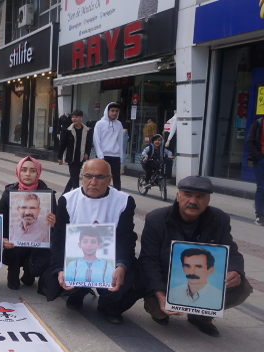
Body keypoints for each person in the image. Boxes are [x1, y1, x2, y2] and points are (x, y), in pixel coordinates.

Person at [139, 176, 252, 337]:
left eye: (200, 197)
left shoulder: (219, 219)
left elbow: (232, 251)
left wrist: (235, 271)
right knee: (157, 309)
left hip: (203, 279)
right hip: (166, 279)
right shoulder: (156, 219)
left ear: (208, 200)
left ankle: (200, 316)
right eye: (187, 195)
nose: (193, 201)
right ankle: (161, 312)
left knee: (241, 286)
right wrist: (159, 293)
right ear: (178, 196)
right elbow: (148, 260)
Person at [45, 159, 139, 324]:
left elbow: (126, 238)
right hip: (78, 257)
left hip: (110, 258)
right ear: (82, 177)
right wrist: (60, 270)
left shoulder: (124, 201)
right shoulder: (68, 200)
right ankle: (77, 293)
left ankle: (108, 304)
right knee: (53, 276)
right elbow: (59, 239)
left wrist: (121, 266)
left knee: (133, 275)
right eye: (88, 176)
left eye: (100, 177)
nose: (93, 182)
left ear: (109, 179)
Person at [0, 156, 56, 290]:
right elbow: (1, 220)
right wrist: (3, 238)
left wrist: (54, 223)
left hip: (39, 243)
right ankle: (13, 272)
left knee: (31, 277)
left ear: (38, 173)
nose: (28, 174)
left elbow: (56, 225)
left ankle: (29, 272)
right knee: (14, 247)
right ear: (18, 172)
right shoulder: (8, 193)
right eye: (24, 170)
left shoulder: (48, 194)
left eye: (32, 170)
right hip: (15, 242)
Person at [58, 110, 92, 193]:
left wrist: (87, 153)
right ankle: (78, 195)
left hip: (81, 158)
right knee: (75, 179)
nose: (74, 119)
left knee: (73, 177)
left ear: (81, 118)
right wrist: (60, 157)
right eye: (72, 117)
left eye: (76, 117)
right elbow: (63, 144)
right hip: (71, 158)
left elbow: (89, 143)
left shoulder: (87, 130)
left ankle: (64, 195)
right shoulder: (68, 130)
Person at [92, 102, 123, 190]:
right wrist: (101, 156)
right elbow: (96, 141)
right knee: (101, 178)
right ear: (107, 111)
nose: (115, 113)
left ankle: (117, 197)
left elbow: (120, 142)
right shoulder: (100, 123)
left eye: (116, 111)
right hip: (103, 156)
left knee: (116, 180)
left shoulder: (119, 124)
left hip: (115, 156)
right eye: (112, 111)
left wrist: (121, 158)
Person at [244, 116, 264, 225]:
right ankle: (260, 215)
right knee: (262, 188)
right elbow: (250, 141)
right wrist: (258, 157)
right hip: (261, 160)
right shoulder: (258, 123)